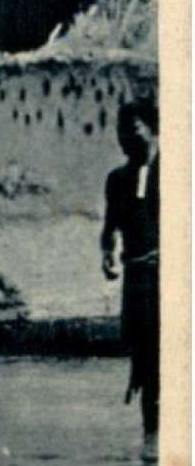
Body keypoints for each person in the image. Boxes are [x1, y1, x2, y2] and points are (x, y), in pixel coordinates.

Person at [102, 97, 159, 447]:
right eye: (121, 131)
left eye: (133, 129)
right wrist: (107, 253)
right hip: (137, 283)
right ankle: (151, 450)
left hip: (171, 282)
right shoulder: (118, 179)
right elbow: (111, 227)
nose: (125, 137)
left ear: (153, 129)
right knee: (144, 365)